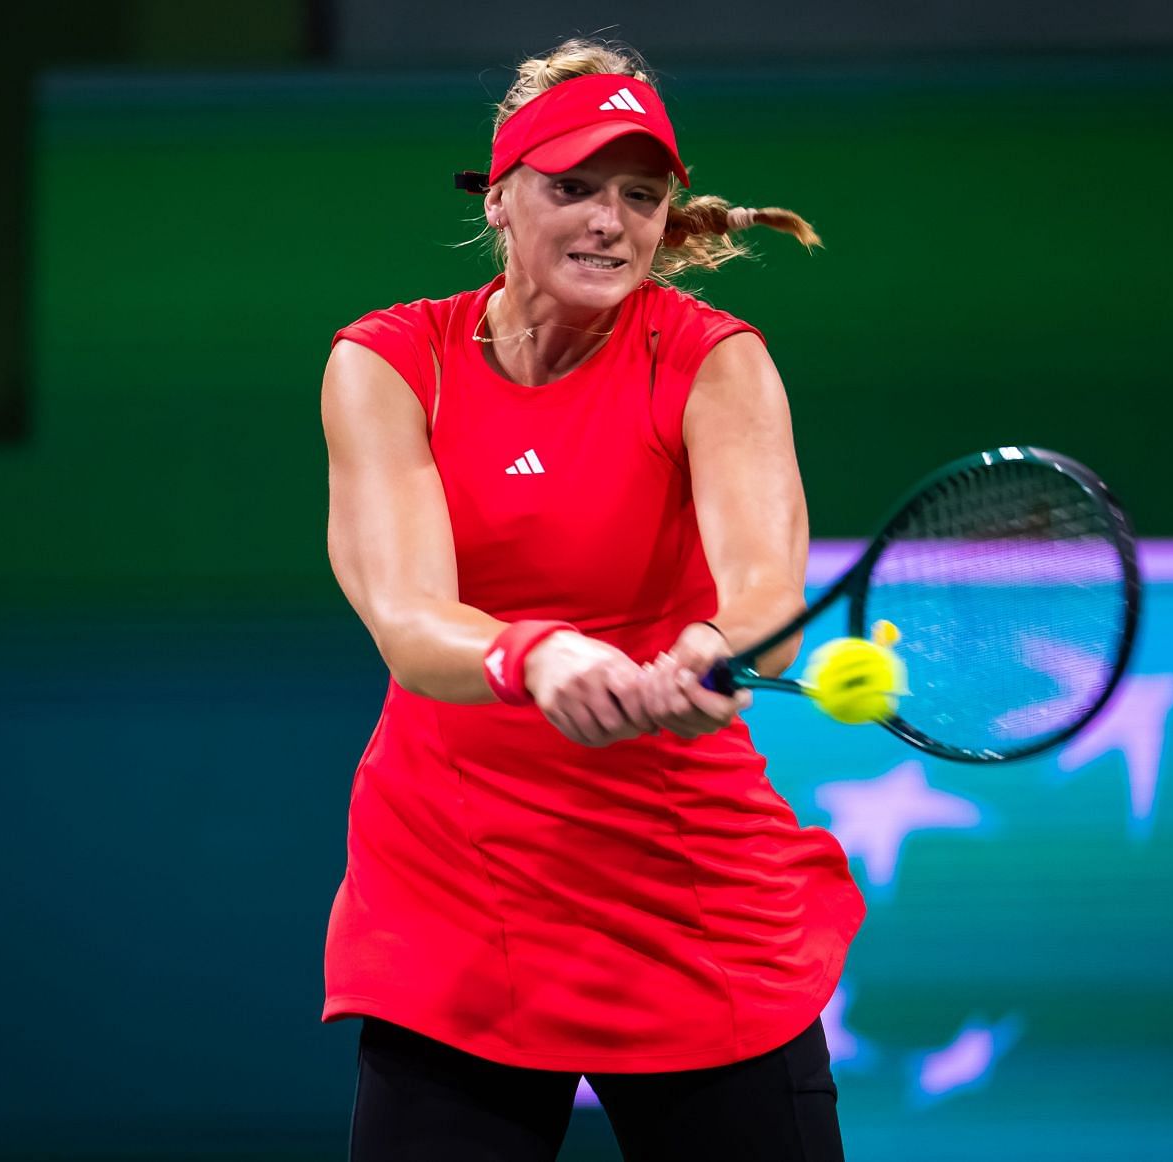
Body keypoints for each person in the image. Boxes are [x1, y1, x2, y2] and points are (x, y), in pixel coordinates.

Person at [319, 37, 865, 1162]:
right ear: (502, 200)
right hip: (457, 906)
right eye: (573, 188)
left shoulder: (715, 361)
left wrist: (710, 653)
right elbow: (410, 618)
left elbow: (766, 586)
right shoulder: (388, 363)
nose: (610, 221)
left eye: (640, 194)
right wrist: (541, 658)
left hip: (686, 900)